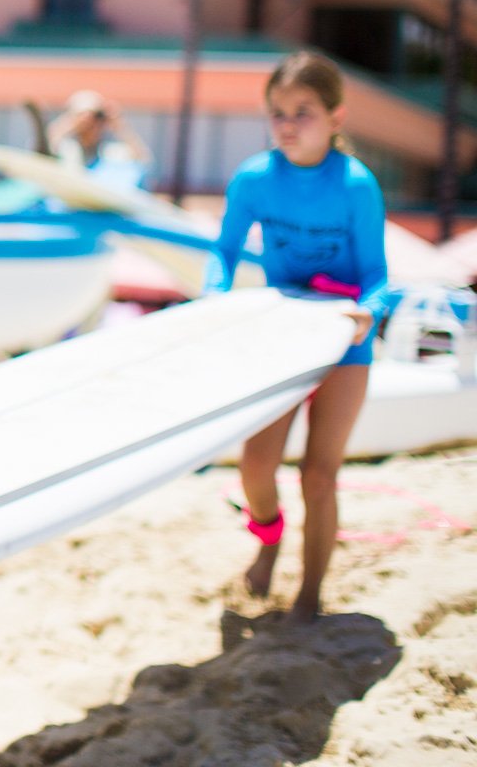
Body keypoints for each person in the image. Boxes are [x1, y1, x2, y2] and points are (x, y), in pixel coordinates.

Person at [206, 50, 384, 624]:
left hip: (343, 338)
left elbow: (377, 275)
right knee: (256, 467)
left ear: (337, 117)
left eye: (302, 112)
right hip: (282, 333)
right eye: (277, 112)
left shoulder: (356, 184)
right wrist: (216, 297)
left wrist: (367, 313)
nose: (286, 124)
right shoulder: (255, 178)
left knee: (318, 474)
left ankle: (310, 595)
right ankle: (269, 538)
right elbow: (224, 251)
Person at [47, 89, 153, 189]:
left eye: (96, 118)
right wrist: (70, 123)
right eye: (80, 116)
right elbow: (43, 151)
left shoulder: (110, 152)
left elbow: (143, 160)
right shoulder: (67, 149)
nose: (91, 124)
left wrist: (119, 126)